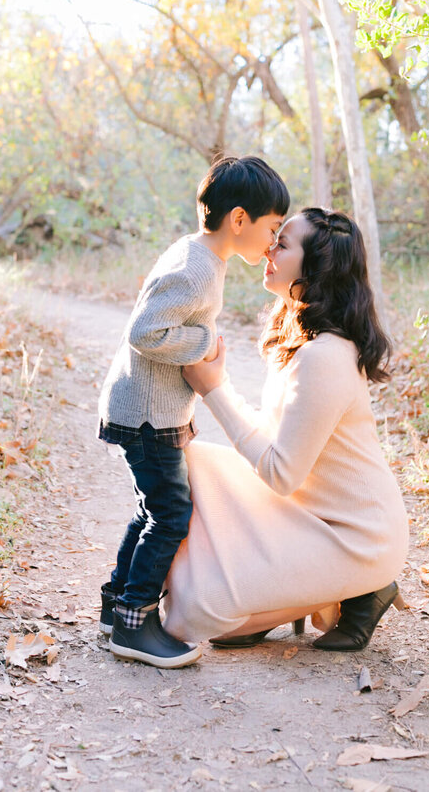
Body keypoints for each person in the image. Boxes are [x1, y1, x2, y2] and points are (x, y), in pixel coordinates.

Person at [165, 207, 409, 651]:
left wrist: (214, 390)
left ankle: (358, 589)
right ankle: (306, 591)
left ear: (317, 266)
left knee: (197, 620)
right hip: (307, 513)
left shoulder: (326, 356)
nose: (268, 249)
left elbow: (280, 473)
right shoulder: (301, 340)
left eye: (283, 243)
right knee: (195, 462)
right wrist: (212, 389)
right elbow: (275, 436)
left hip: (357, 535)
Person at [97, 155, 289, 668]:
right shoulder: (196, 267)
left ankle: (116, 604)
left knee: (152, 509)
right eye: (272, 228)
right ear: (240, 219)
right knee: (170, 515)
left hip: (152, 411)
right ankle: (134, 622)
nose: (274, 242)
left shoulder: (202, 258)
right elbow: (145, 333)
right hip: (144, 415)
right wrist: (205, 342)